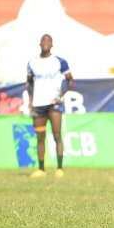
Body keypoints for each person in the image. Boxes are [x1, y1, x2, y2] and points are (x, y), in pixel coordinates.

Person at [27, 34, 74, 179]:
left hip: (53, 104)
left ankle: (59, 168)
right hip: (38, 104)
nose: (45, 43)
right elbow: (29, 83)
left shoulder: (59, 62)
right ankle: (41, 169)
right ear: (40, 43)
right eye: (43, 41)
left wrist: (60, 96)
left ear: (52, 45)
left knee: (57, 135)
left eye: (48, 41)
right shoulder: (32, 63)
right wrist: (30, 100)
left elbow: (70, 81)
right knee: (40, 137)